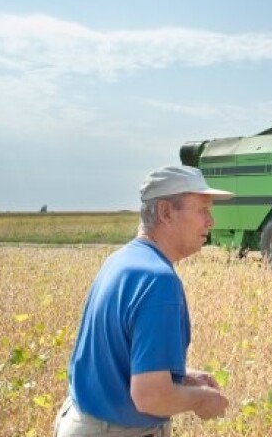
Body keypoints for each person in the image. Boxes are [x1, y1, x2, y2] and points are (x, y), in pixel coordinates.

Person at [54, 166, 233, 437]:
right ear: (165, 212)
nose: (210, 221)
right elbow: (150, 397)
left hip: (82, 423)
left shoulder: (122, 261)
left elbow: (116, 360)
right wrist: (202, 398)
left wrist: (181, 378)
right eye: (201, 210)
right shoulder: (159, 281)